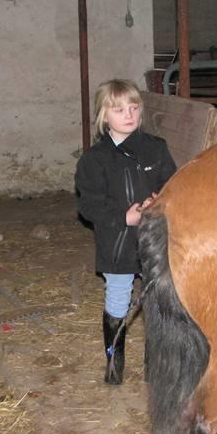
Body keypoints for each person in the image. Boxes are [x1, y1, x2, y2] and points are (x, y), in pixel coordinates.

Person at [75, 79, 177, 385]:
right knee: (118, 296)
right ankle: (114, 362)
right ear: (104, 116)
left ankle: (154, 366)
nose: (128, 115)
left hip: (153, 237)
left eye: (134, 108)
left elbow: (172, 185)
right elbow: (88, 206)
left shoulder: (156, 148)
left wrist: (159, 200)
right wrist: (123, 217)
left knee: (158, 298)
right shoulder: (94, 160)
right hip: (117, 241)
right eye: (119, 110)